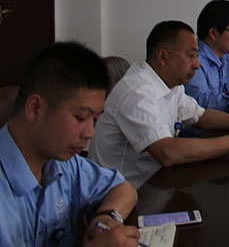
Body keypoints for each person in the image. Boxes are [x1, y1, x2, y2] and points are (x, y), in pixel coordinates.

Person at [90, 21, 229, 188]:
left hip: (158, 181)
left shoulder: (171, 84)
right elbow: (167, 152)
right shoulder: (137, 92)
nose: (197, 65)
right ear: (163, 57)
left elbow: (201, 116)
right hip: (125, 196)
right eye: (191, 56)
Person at [1, 41, 139, 247]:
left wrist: (107, 218)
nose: (90, 133)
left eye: (94, 120)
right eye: (80, 118)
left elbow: (123, 189)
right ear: (35, 108)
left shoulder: (64, 162)